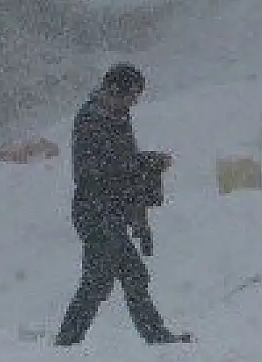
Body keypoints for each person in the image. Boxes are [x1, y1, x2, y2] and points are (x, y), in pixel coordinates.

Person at [53, 63, 193, 346]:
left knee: (100, 280)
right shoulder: (89, 122)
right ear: (114, 91)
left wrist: (140, 220)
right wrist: (144, 164)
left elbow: (125, 169)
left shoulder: (118, 118)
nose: (133, 103)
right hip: (93, 212)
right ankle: (154, 336)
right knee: (129, 276)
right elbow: (96, 172)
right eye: (131, 96)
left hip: (112, 212)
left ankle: (67, 341)